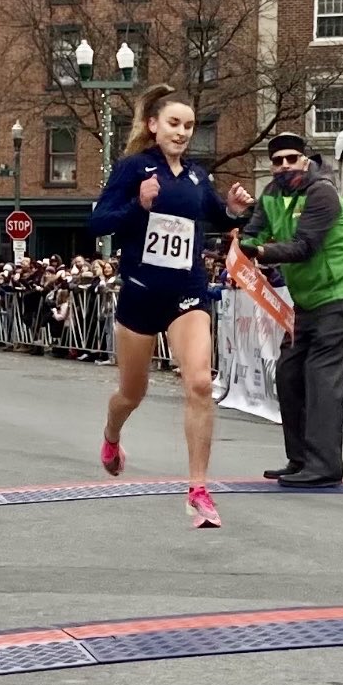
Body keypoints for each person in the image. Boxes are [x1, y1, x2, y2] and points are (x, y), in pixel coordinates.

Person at [90, 84, 253, 529]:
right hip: (141, 294)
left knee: (200, 383)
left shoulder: (198, 178)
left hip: (188, 292)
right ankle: (112, 433)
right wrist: (138, 206)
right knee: (132, 393)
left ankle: (198, 490)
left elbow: (219, 217)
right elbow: (99, 221)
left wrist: (236, 211)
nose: (182, 132)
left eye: (188, 126)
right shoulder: (133, 169)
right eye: (174, 124)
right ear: (153, 126)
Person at [241, 133, 343, 488]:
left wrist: (261, 254)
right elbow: (253, 233)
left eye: (291, 159)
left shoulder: (321, 192)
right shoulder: (270, 194)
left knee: (321, 379)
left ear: (306, 159)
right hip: (306, 302)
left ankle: (325, 466)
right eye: (277, 161)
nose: (284, 166)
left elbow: (305, 246)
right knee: (289, 373)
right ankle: (300, 460)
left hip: (339, 295)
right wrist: (238, 248)